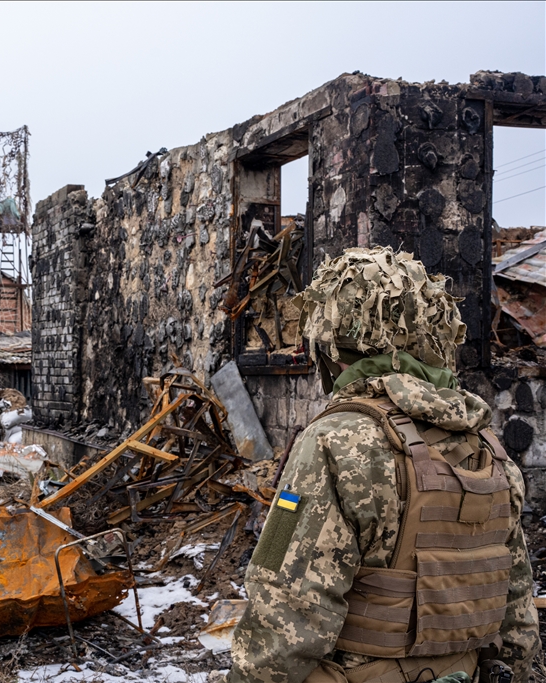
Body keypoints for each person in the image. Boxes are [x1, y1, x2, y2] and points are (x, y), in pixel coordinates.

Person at [227, 247, 540, 683]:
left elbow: (285, 604)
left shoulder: (331, 440)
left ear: (334, 344)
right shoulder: (487, 444)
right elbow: (519, 607)